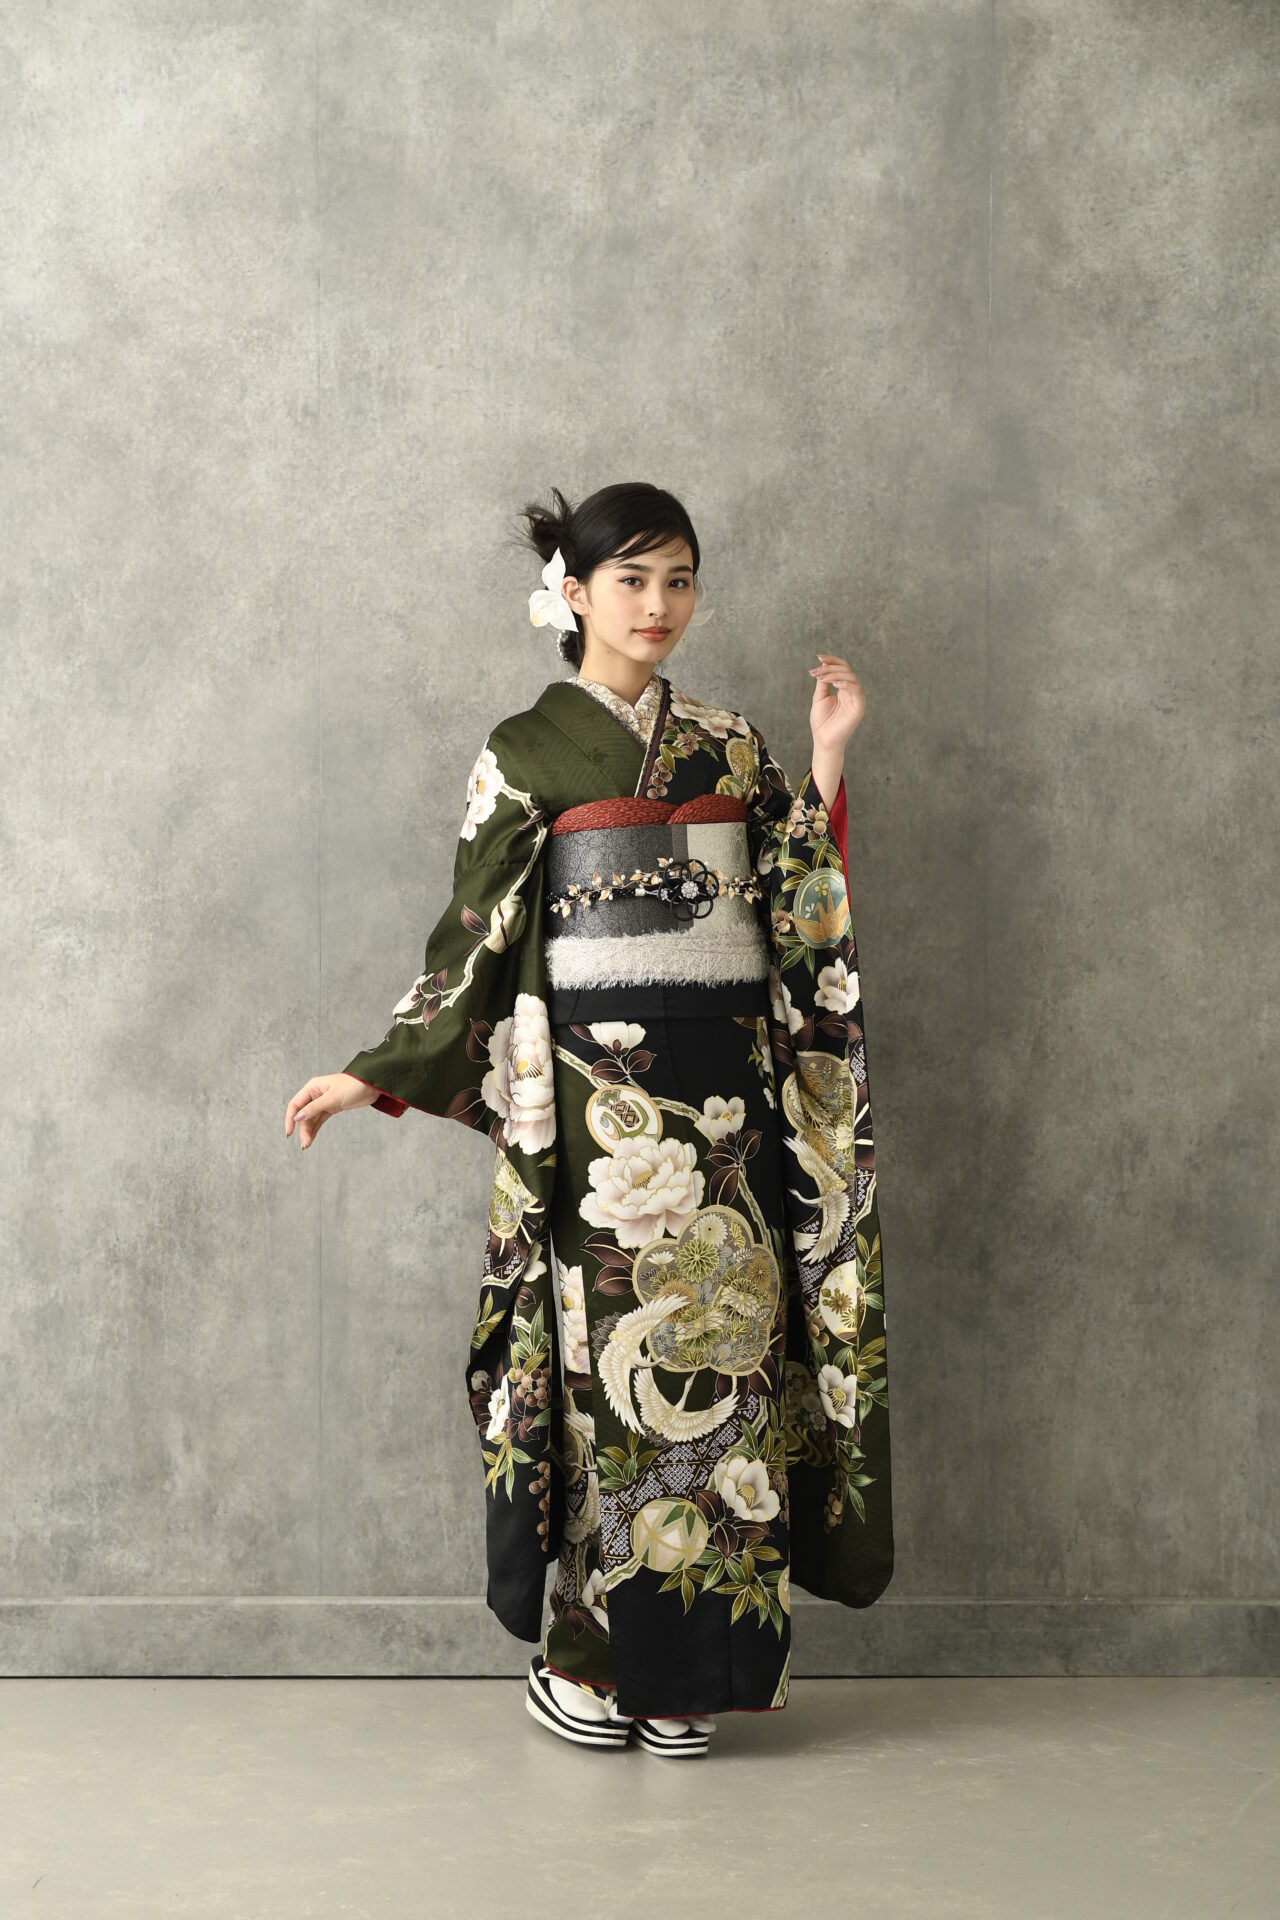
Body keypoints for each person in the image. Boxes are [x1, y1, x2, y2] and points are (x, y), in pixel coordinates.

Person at [285, 481, 894, 1758]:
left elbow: (794, 890)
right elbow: (475, 932)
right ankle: (590, 1660)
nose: (657, 605)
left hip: (728, 1107)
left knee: (727, 1359)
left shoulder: (729, 743)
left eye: (678, 579)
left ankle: (697, 1676)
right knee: (596, 1376)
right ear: (571, 594)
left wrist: (826, 756)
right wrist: (373, 1072)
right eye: (630, 580)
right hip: (594, 1111)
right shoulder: (524, 749)